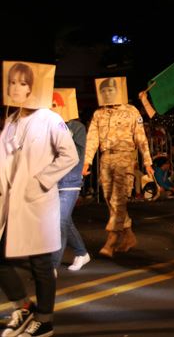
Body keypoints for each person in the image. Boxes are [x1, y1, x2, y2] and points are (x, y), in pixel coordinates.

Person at [0, 61, 79, 337]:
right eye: (12, 82)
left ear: (33, 87)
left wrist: (41, 181)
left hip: (36, 202)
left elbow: (70, 155)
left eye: (23, 83)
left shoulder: (49, 118)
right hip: (10, 203)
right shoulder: (10, 120)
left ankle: (44, 321)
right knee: (2, 257)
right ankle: (23, 307)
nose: (16, 88)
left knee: (41, 265)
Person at [83, 77, 154, 258]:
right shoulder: (99, 113)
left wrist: (147, 162)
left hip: (125, 158)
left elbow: (141, 137)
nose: (108, 93)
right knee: (109, 198)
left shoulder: (131, 111)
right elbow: (92, 138)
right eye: (104, 90)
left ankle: (112, 238)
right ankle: (129, 236)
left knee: (118, 199)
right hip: (106, 158)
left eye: (111, 90)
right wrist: (86, 162)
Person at [51, 91, 91, 275]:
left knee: (60, 221)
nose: (51, 108)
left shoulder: (77, 127)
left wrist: (61, 128)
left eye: (54, 104)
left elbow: (75, 153)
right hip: (52, 181)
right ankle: (82, 253)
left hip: (70, 181)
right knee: (65, 220)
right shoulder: (46, 127)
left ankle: (52, 266)